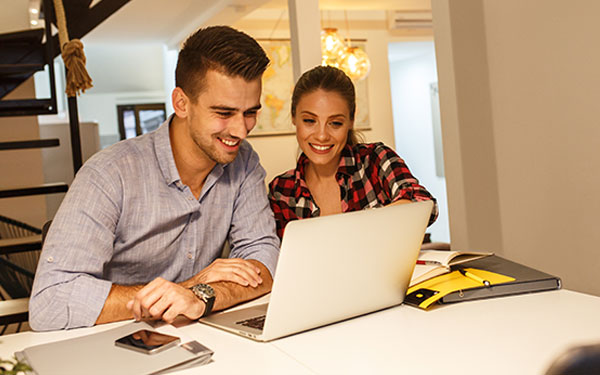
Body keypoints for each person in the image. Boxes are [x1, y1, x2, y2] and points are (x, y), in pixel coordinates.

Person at [29, 26, 280, 331]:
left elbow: (264, 260)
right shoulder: (108, 175)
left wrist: (203, 296)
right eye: (224, 113)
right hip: (116, 342)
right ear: (181, 103)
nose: (241, 130)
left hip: (199, 336)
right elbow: (50, 302)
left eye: (250, 113)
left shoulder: (244, 161)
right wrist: (189, 287)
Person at [269, 66, 438, 239]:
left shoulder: (375, 160)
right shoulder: (281, 190)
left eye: (335, 123)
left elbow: (425, 205)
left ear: (351, 120)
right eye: (309, 121)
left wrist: (361, 225)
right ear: (293, 117)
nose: (321, 135)